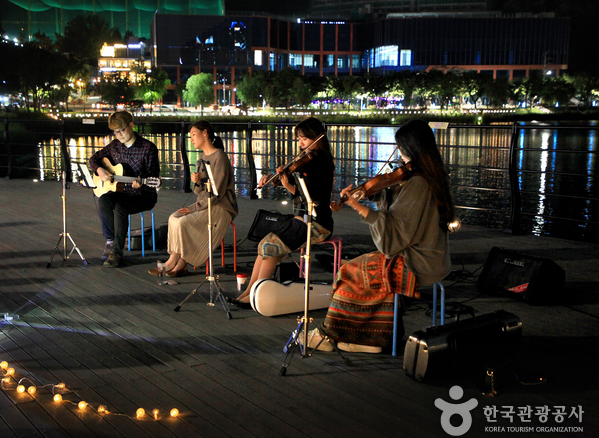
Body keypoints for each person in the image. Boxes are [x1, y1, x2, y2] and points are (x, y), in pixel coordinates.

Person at [308, 119, 456, 354]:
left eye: (401, 148)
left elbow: (395, 236)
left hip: (418, 261)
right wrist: (372, 195)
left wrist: (361, 208)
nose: (399, 153)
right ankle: (369, 335)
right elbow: (402, 211)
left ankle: (360, 337)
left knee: (349, 271)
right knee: (356, 267)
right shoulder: (428, 174)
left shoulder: (418, 183)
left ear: (412, 148)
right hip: (426, 254)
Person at [231, 116, 334, 307]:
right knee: (265, 245)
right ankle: (248, 292)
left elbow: (310, 197)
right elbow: (297, 185)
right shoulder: (306, 162)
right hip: (302, 218)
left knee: (270, 247)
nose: (301, 144)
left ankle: (255, 295)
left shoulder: (323, 164)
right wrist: (273, 178)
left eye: (305, 138)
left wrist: (288, 185)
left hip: (318, 222)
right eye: (299, 139)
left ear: (317, 137)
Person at [148, 120, 238, 276]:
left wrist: (193, 208)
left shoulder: (220, 157)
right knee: (173, 218)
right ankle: (174, 260)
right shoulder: (202, 157)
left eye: (194, 135)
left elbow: (217, 193)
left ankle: (181, 262)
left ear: (205, 133)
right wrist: (197, 181)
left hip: (221, 207)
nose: (192, 139)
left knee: (183, 221)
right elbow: (198, 192)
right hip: (205, 203)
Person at [89, 111, 160, 268]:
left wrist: (142, 184)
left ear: (131, 125)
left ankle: (116, 253)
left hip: (143, 195)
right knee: (105, 199)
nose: (119, 135)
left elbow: (153, 177)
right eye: (116, 132)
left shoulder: (148, 148)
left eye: (122, 130)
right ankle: (110, 241)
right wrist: (99, 170)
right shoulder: (114, 146)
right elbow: (93, 159)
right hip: (121, 192)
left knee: (121, 207)